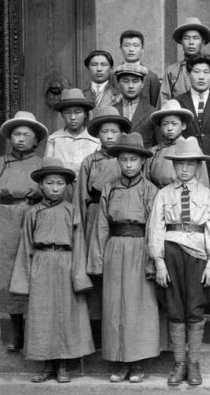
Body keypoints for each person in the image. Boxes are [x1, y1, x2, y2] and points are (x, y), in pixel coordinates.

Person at [9, 157, 94, 383]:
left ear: (66, 185)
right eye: (49, 183)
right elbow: (26, 245)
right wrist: (24, 280)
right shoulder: (33, 212)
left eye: (60, 183)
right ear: (40, 185)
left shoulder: (72, 210)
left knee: (66, 314)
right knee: (43, 315)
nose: (55, 188)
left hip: (66, 263)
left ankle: (64, 366)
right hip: (41, 263)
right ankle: (47, 366)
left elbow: (79, 244)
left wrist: (79, 276)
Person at [148, 136, 210, 386]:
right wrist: (159, 262)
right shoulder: (164, 194)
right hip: (172, 251)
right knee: (175, 308)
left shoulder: (207, 195)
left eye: (190, 164)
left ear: (198, 166)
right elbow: (156, 227)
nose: (184, 169)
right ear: (173, 166)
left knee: (195, 308)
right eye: (179, 164)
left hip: (198, 253)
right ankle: (179, 363)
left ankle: (194, 363)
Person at [91, 133, 160, 383]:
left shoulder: (150, 190)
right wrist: (98, 260)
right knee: (115, 306)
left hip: (140, 248)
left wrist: (153, 260)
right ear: (118, 161)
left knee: (138, 306)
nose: (129, 164)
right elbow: (101, 224)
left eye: (133, 160)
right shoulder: (110, 188)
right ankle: (119, 362)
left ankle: (138, 362)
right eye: (124, 160)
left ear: (142, 162)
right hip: (114, 248)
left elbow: (154, 226)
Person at [77, 106, 132, 347]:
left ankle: (122, 330)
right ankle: (97, 331)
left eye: (114, 131)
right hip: (94, 216)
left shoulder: (128, 160)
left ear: (121, 133)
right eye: (104, 131)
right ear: (97, 134)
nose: (109, 136)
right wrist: (80, 230)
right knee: (97, 271)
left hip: (120, 220)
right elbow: (80, 197)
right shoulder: (90, 161)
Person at [0, 112, 47, 353]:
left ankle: (36, 332)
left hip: (33, 217)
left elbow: (52, 191)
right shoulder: (2, 162)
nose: (20, 139)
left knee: (33, 271)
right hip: (5, 221)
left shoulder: (41, 164)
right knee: (8, 274)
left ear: (36, 139)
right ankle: (16, 331)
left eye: (26, 135)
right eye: (16, 134)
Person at [175, 53, 210, 176]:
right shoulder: (178, 102)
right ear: (188, 74)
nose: (201, 77)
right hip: (187, 164)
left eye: (206, 72)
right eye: (196, 72)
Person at [160, 17, 210, 105]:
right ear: (181, 42)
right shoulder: (172, 71)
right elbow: (164, 101)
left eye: (195, 38)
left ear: (202, 42)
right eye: (187, 38)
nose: (191, 42)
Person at [146, 100, 209, 189]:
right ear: (160, 127)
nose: (170, 128)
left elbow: (202, 182)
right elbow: (146, 183)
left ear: (183, 126)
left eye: (174, 124)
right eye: (165, 124)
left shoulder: (192, 150)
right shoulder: (154, 152)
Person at [45, 89, 99, 184]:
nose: (72, 117)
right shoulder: (54, 139)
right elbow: (47, 169)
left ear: (85, 114)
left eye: (78, 112)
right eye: (67, 112)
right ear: (62, 115)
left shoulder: (95, 141)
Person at [113, 63, 159, 148]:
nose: (130, 86)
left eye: (135, 81)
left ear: (142, 84)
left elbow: (158, 145)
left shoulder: (152, 113)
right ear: (118, 84)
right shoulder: (112, 111)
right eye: (126, 81)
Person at [118, 30, 162, 107]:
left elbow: (155, 106)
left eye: (135, 45)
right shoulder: (113, 75)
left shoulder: (151, 77)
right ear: (121, 48)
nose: (131, 49)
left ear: (142, 49)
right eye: (127, 45)